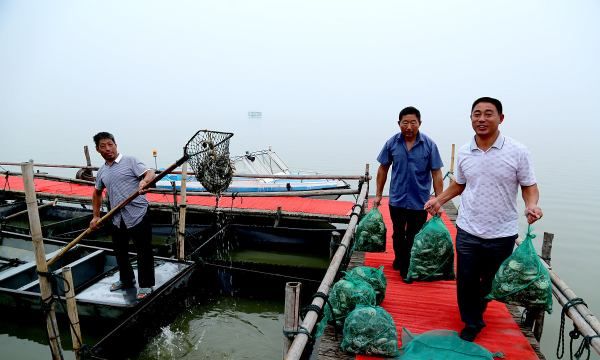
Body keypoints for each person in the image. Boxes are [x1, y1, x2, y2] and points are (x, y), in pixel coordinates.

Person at [424, 97, 543, 342]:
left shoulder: (518, 151)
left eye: (488, 114)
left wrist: (531, 205)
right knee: (466, 279)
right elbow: (459, 185)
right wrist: (439, 199)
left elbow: (529, 185)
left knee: (490, 281)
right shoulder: (466, 152)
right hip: (468, 227)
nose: (482, 119)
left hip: (502, 231)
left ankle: (478, 310)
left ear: (501, 118)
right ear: (470, 119)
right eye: (476, 114)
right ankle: (472, 321)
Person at [373, 106, 444, 282]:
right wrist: (378, 194)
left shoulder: (429, 145)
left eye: (413, 122)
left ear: (419, 123)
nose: (409, 127)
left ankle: (406, 267)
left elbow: (437, 173)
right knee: (398, 234)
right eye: (405, 122)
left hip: (419, 200)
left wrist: (439, 200)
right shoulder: (392, 143)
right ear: (399, 124)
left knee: (413, 235)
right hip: (397, 199)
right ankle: (400, 259)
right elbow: (383, 168)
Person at [90, 132, 156, 300]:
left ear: (116, 144)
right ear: (98, 150)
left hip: (138, 213)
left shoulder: (130, 161)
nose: (108, 149)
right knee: (120, 251)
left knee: (144, 250)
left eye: (110, 144)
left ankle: (146, 285)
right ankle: (126, 280)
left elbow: (150, 173)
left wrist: (144, 181)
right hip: (116, 216)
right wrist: (95, 216)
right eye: (103, 146)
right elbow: (97, 193)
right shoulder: (102, 172)